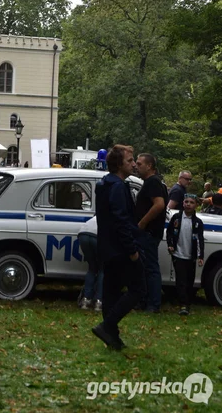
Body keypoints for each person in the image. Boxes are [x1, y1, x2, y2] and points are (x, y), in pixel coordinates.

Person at [92, 144, 145, 351]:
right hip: (120, 248)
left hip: (106, 246)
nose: (133, 164)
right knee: (138, 288)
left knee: (111, 292)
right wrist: (132, 250)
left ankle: (112, 337)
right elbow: (120, 221)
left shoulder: (105, 183)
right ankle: (107, 326)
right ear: (118, 163)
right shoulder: (117, 187)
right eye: (130, 160)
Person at [135, 153, 168, 313]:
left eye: (140, 164)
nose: (136, 166)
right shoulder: (152, 182)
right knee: (145, 267)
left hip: (148, 232)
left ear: (149, 166)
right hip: (149, 232)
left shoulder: (153, 182)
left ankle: (153, 304)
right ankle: (146, 301)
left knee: (150, 268)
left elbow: (159, 204)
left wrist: (142, 222)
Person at [167, 194, 204, 315]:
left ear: (196, 205)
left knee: (190, 280)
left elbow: (200, 240)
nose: (188, 204)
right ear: (182, 203)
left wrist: (200, 256)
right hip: (178, 254)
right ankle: (183, 304)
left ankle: (187, 300)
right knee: (181, 279)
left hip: (191, 256)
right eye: (186, 202)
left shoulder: (197, 222)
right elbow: (170, 232)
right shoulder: (176, 218)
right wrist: (170, 244)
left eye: (191, 202)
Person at [77, 214, 103, 312]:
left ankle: (86, 300)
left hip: (83, 233)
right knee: (102, 269)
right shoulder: (113, 216)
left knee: (92, 268)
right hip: (97, 235)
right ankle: (99, 301)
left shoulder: (95, 216)